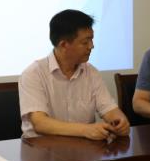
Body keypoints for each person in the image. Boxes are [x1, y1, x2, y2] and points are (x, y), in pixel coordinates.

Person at [19, 9, 130, 140]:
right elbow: (40, 123)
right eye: (85, 42)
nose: (91, 46)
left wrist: (120, 121)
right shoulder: (33, 74)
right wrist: (86, 130)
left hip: (84, 147)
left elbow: (109, 109)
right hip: (41, 147)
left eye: (92, 40)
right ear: (64, 45)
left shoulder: (91, 72)